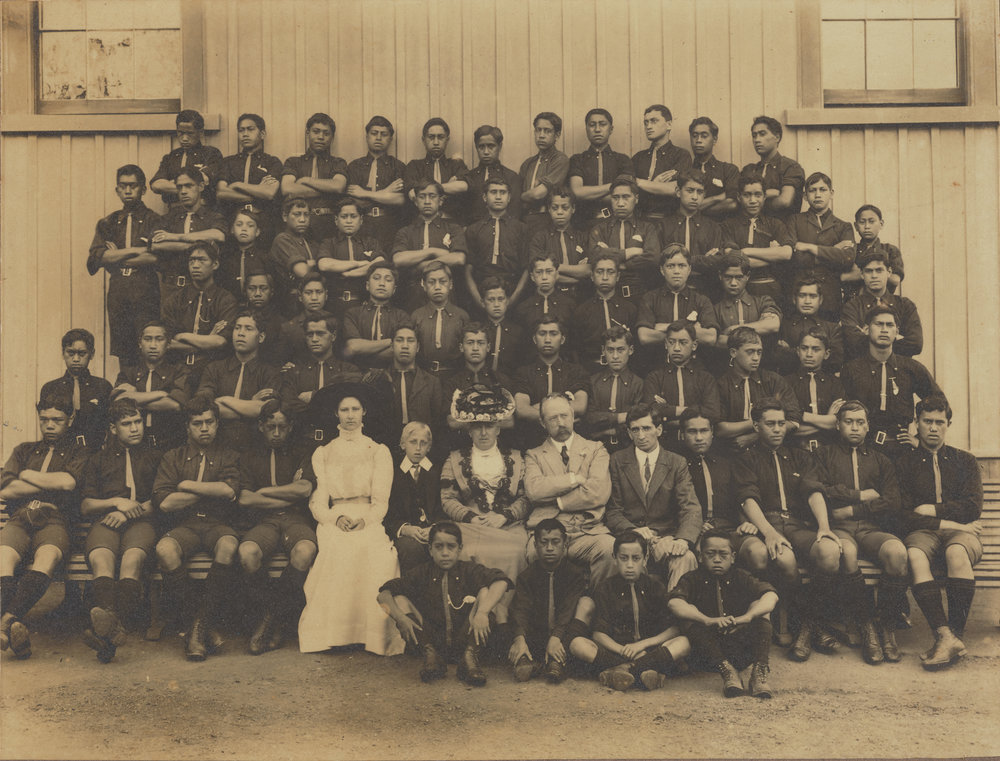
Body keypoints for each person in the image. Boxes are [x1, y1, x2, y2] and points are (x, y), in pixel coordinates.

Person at [298, 382, 404, 655]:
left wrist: (365, 521)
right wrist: (336, 518)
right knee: (337, 550)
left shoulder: (377, 451)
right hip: (335, 518)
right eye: (344, 409)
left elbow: (381, 501)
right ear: (336, 414)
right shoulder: (323, 452)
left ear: (364, 412)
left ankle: (371, 635)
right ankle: (335, 634)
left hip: (368, 517)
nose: (350, 415)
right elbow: (318, 502)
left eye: (355, 408)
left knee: (375, 552)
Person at [732, 398, 842, 662]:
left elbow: (814, 491)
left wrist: (824, 527)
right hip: (765, 523)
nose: (777, 429)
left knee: (829, 552)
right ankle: (799, 625)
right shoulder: (746, 458)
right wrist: (768, 532)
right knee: (784, 558)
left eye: (781, 423)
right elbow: (748, 499)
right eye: (770, 424)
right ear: (757, 426)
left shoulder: (799, 456)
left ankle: (806, 624)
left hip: (796, 523)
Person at [814, 401, 909, 664]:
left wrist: (851, 511)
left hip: (870, 529)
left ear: (868, 426)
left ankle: (887, 628)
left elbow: (892, 501)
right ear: (837, 425)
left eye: (859, 422)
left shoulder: (881, 459)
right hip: (839, 530)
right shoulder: (824, 455)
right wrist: (859, 495)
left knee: (897, 553)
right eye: (848, 421)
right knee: (848, 553)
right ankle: (867, 627)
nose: (854, 427)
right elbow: (821, 489)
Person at [151, 398, 241, 659]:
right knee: (165, 549)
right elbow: (166, 503)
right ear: (187, 427)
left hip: (217, 525)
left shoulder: (229, 455)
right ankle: (202, 626)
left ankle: (196, 628)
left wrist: (186, 485)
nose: (204, 428)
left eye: (210, 422)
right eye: (197, 423)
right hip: (185, 526)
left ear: (217, 424)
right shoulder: (173, 457)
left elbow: (229, 490)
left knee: (229, 545)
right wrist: (210, 491)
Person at [899, 396, 984, 670]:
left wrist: (932, 510)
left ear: (948, 424)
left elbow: (972, 507)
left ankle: (953, 637)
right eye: (927, 422)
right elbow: (902, 514)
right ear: (916, 424)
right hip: (923, 533)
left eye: (939, 422)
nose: (933, 428)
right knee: (913, 555)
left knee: (957, 552)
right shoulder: (904, 464)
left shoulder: (965, 461)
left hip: (961, 536)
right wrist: (951, 522)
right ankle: (944, 635)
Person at [0, 396, 88, 660]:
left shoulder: (78, 451)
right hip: (21, 516)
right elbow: (7, 488)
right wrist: (46, 483)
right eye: (44, 419)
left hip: (54, 518)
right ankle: (10, 626)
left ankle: (5, 623)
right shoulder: (24, 450)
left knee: (47, 557)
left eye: (57, 420)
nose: (49, 425)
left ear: (70, 420)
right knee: (3, 557)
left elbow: (68, 483)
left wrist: (26, 476)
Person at [377, 522, 511, 685]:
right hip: (433, 640)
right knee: (399, 599)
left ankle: (469, 658)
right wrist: (400, 618)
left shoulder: (469, 570)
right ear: (430, 550)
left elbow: (502, 581)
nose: (445, 553)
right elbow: (383, 594)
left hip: (465, 637)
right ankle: (431, 657)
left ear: (460, 548)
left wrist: (482, 613)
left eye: (451, 547)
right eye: (439, 547)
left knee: (486, 593)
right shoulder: (422, 572)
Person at [78, 399, 160, 662]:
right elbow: (87, 504)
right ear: (113, 428)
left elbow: (160, 500)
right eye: (127, 424)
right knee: (101, 558)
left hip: (141, 521)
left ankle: (107, 633)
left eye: (138, 422)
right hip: (107, 521)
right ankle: (113, 630)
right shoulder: (98, 460)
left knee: (132, 559)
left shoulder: (155, 456)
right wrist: (115, 502)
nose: (135, 428)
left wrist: (127, 512)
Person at [236, 401, 317, 655]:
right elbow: (246, 498)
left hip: (296, 519)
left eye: (283, 427)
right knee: (248, 552)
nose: (277, 433)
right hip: (264, 520)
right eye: (271, 427)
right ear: (261, 426)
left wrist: (265, 491)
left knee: (304, 551)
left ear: (291, 426)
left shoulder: (303, 450)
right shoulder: (249, 455)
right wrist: (287, 493)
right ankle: (273, 617)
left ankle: (270, 620)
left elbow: (305, 489)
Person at [440, 386, 527, 615]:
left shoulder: (517, 458)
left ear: (498, 428)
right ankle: (471, 617)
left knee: (516, 550)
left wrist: (504, 516)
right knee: (464, 550)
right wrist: (471, 517)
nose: (483, 433)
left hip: (509, 526)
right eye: (477, 427)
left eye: (489, 426)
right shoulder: (455, 459)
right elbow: (447, 499)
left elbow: (525, 498)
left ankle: (503, 618)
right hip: (471, 527)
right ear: (469, 431)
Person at [567, 531, 690, 691]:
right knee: (578, 644)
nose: (630, 565)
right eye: (624, 558)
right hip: (615, 652)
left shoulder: (655, 586)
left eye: (636, 558)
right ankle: (641, 670)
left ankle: (621, 671)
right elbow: (598, 634)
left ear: (645, 559)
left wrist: (642, 645)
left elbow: (673, 629)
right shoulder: (605, 588)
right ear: (615, 559)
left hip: (648, 651)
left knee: (684, 643)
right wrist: (622, 650)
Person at [668, 528, 777, 698]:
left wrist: (747, 617)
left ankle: (759, 672)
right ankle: (727, 671)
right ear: (700, 556)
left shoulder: (741, 576)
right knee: (689, 616)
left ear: (733, 557)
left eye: (723, 555)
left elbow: (771, 596)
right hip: (706, 655)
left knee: (761, 610)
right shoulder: (691, 579)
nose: (717, 560)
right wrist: (706, 620)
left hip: (739, 650)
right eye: (710, 554)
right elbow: (674, 603)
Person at [606, 404, 701, 589]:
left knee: (686, 557)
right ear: (628, 432)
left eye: (646, 428)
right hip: (630, 537)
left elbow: (690, 507)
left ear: (659, 429)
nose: (641, 436)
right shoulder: (617, 460)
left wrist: (682, 539)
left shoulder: (676, 462)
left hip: (666, 537)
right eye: (635, 430)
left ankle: (676, 611)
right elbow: (612, 510)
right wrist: (633, 530)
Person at [523, 393, 615, 584]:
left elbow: (598, 493)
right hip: (547, 533)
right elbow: (534, 490)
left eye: (564, 415)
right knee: (534, 552)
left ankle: (595, 605)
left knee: (609, 548)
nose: (561, 422)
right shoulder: (534, 455)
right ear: (542, 422)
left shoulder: (596, 449)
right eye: (553, 418)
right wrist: (573, 479)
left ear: (573, 415)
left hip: (587, 531)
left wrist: (558, 501)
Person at [841, 305, 940, 461]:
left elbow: (939, 403)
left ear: (897, 332)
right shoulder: (852, 369)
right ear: (866, 329)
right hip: (864, 449)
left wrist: (920, 439)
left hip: (902, 450)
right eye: (878, 324)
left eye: (889, 325)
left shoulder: (911, 368)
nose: (884, 329)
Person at [87, 164, 162, 366]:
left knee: (148, 346)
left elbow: (157, 257)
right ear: (117, 190)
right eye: (123, 186)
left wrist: (115, 255)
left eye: (133, 186)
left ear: (143, 189)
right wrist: (137, 250)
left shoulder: (154, 220)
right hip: (119, 290)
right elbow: (96, 258)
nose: (128, 191)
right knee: (124, 351)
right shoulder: (108, 222)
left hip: (145, 289)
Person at [508, 518, 587, 683]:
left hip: (564, 636)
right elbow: (521, 609)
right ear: (535, 545)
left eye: (555, 542)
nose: (549, 548)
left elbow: (568, 610)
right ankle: (527, 658)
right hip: (537, 636)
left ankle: (556, 660)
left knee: (585, 605)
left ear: (565, 543)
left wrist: (557, 637)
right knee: (515, 622)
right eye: (544, 543)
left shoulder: (575, 574)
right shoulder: (526, 576)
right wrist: (520, 638)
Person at [194, 309, 280, 450]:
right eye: (237, 328)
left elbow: (266, 410)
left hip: (254, 449)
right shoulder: (215, 368)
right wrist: (250, 405)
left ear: (261, 337)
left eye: (248, 329)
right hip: (217, 447)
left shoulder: (269, 373)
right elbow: (204, 407)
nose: (240, 333)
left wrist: (224, 400)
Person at [160, 241, 239, 393]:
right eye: (192, 260)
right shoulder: (175, 299)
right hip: (177, 368)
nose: (195, 265)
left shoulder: (225, 300)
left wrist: (182, 335)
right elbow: (167, 343)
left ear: (215, 264)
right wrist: (207, 340)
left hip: (212, 369)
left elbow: (221, 342)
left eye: (202, 260)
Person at [715, 326, 801, 453]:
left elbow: (793, 421)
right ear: (733, 352)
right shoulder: (721, 384)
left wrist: (754, 436)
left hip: (768, 451)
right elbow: (720, 428)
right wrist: (761, 423)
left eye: (759, 352)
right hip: (731, 453)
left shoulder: (773, 380)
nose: (756, 358)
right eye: (750, 352)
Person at [635, 243, 719, 373]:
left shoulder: (701, 300)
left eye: (681, 266)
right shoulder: (650, 298)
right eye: (670, 266)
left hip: (693, 369)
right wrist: (692, 330)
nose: (676, 271)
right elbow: (645, 337)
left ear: (689, 269)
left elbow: (710, 338)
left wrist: (663, 327)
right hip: (658, 367)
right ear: (662, 270)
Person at [150, 167, 227, 303]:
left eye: (189, 186)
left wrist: (174, 237)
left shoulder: (212, 216)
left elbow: (218, 235)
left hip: (202, 288)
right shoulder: (169, 218)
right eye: (179, 187)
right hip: (171, 288)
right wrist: (199, 244)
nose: (184, 191)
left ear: (201, 186)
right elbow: (155, 245)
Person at [512, 316, 590, 450]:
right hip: (534, 442)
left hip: (570, 442)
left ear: (562, 339)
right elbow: (522, 410)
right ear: (535, 339)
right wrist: (562, 414)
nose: (547, 339)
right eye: (542, 334)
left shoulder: (575, 371)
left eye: (553, 334)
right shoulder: (524, 373)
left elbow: (580, 406)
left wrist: (539, 409)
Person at [642, 321, 721, 451]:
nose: (677, 348)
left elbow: (713, 413)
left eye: (683, 342)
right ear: (666, 344)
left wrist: (668, 411)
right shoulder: (654, 377)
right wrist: (692, 411)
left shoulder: (705, 378)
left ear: (694, 345)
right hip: (664, 444)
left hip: (697, 442)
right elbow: (652, 411)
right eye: (672, 342)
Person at [392, 179, 469, 311]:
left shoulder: (453, 229)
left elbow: (458, 258)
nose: (427, 201)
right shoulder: (406, 231)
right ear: (416, 201)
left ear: (441, 201)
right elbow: (398, 259)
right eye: (422, 197)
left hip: (446, 295)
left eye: (432, 196)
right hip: (413, 295)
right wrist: (432, 251)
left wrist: (421, 265)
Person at [112, 320, 190, 451]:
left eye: (159, 339)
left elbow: (175, 405)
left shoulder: (179, 371)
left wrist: (134, 398)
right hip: (136, 446)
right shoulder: (129, 372)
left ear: (168, 344)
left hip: (170, 444)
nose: (153, 345)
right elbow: (118, 400)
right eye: (148, 339)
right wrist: (160, 394)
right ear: (140, 343)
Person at [279, 313, 359, 439]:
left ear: (333, 336)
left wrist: (313, 396)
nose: (314, 339)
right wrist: (329, 407)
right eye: (310, 335)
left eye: (320, 334)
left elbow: (350, 404)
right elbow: (288, 405)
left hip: (340, 439)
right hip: (304, 439)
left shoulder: (348, 370)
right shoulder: (294, 372)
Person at [786, 172, 855, 317]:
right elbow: (793, 257)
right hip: (801, 295)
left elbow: (848, 259)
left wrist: (811, 248)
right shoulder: (795, 221)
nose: (817, 195)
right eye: (812, 190)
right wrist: (833, 251)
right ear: (805, 196)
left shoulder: (843, 226)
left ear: (831, 193)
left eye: (822, 190)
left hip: (830, 296)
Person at [586, 176, 660, 305]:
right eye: (615, 198)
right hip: (606, 294)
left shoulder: (647, 228)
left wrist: (622, 264)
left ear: (636, 199)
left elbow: (652, 257)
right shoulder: (600, 229)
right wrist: (628, 253)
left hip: (639, 295)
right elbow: (594, 256)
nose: (620, 203)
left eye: (626, 197)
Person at [721, 174, 793, 303]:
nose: (753, 200)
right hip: (739, 290)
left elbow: (787, 254)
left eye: (758, 195)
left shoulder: (775, 224)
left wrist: (746, 251)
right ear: (739, 197)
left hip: (771, 290)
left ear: (764, 197)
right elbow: (733, 259)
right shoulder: (728, 225)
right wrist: (773, 257)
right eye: (747, 195)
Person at [40, 328, 113, 452]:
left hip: (94, 453)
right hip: (61, 453)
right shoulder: (50, 388)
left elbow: (110, 425)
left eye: (82, 353)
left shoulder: (102, 386)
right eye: (71, 353)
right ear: (63, 353)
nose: (76, 359)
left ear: (92, 354)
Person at [280, 112, 348, 243]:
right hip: (299, 222)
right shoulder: (293, 162)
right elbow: (287, 188)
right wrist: (327, 189)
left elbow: (338, 186)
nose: (320, 137)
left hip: (328, 224)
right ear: (308, 133)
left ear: (332, 137)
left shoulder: (338, 163)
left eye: (326, 133)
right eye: (316, 132)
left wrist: (305, 181)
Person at [678, 412, 744, 546]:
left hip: (727, 528)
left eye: (704, 431)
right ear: (682, 434)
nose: (699, 437)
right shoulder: (677, 465)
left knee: (756, 551)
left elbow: (740, 496)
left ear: (712, 432)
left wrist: (745, 522)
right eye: (692, 432)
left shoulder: (727, 462)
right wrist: (696, 524)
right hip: (695, 530)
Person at [214, 113, 282, 244]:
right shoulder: (228, 162)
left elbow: (269, 193)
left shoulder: (272, 162)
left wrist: (237, 184)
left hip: (262, 220)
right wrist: (257, 192)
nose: (245, 134)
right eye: (241, 130)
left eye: (250, 129)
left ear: (262, 134)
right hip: (233, 219)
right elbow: (221, 192)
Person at [841, 251, 923, 359]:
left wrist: (869, 336)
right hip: (864, 370)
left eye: (879, 270)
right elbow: (853, 343)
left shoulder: (905, 305)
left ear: (889, 272)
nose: (874, 276)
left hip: (898, 368)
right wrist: (895, 337)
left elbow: (916, 344)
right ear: (862, 275)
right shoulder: (852, 307)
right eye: (869, 271)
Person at [659, 169, 726, 299]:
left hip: (705, 293)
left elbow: (716, 262)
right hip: (669, 293)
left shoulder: (713, 227)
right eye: (690, 190)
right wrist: (702, 260)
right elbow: (659, 260)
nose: (695, 197)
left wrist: (678, 261)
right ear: (678, 192)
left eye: (699, 192)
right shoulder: (664, 226)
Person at [384, 422, 442, 573]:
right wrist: (405, 529)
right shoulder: (393, 473)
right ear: (403, 444)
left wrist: (434, 528)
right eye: (413, 442)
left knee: (443, 544)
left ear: (429, 447)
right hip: (408, 532)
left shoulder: (436, 472)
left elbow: (442, 506)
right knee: (410, 548)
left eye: (423, 443)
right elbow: (388, 512)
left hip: (432, 529)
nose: (418, 448)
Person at [464, 177, 531, 307]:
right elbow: (468, 269)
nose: (498, 197)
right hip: (482, 289)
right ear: (484, 197)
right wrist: (479, 300)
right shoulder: (474, 229)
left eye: (503, 192)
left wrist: (512, 300)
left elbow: (526, 269)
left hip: (512, 289)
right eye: (493, 192)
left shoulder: (521, 228)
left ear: (509, 197)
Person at [344, 116, 407, 251]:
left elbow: (400, 199)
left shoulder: (398, 166)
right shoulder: (354, 166)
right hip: (361, 224)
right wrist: (385, 194)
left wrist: (364, 193)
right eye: (374, 133)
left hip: (389, 225)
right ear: (367, 136)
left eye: (384, 134)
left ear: (390, 139)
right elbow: (353, 201)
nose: (378, 138)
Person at [712, 253, 782, 370]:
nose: (733, 283)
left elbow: (772, 324)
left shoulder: (762, 302)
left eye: (739, 277)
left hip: (762, 368)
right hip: (727, 370)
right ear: (720, 276)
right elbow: (717, 341)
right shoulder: (715, 309)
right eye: (728, 277)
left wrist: (734, 329)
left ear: (747, 276)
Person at [317, 198, 387, 316]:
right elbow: (324, 264)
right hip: (334, 304)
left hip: (363, 303)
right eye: (344, 217)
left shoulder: (370, 242)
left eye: (353, 216)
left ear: (361, 220)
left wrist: (350, 273)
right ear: (336, 220)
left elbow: (380, 262)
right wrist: (358, 264)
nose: (349, 221)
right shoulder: (329, 243)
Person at [567, 108, 634, 230]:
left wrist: (589, 193)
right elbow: (577, 192)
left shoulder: (622, 160)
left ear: (611, 129)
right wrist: (614, 186)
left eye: (602, 124)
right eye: (592, 125)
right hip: (582, 224)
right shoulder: (577, 159)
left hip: (615, 223)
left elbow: (626, 194)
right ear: (586, 129)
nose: (597, 129)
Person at [572, 254, 638, 375]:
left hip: (625, 372)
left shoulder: (629, 309)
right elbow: (576, 350)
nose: (605, 277)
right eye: (600, 272)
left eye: (610, 272)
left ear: (618, 276)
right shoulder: (582, 311)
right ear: (592, 276)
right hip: (591, 371)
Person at [782, 326, 845, 451]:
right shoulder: (786, 382)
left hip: (829, 450)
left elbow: (840, 424)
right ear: (798, 351)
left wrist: (802, 416)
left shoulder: (835, 383)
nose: (809, 354)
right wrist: (827, 420)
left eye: (816, 349)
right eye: (805, 348)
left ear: (826, 354)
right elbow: (785, 428)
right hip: (796, 450)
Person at [583, 326, 643, 451]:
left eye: (621, 350)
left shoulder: (638, 383)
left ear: (630, 350)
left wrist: (607, 430)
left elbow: (636, 419)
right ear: (603, 351)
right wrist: (619, 418)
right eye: (610, 350)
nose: (615, 356)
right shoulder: (593, 382)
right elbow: (589, 418)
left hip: (628, 448)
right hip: (596, 448)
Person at [150, 109, 223, 209]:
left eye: (190, 133)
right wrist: (190, 187)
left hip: (202, 212)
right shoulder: (172, 156)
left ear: (200, 132)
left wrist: (171, 184)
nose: (184, 138)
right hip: (174, 214)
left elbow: (205, 179)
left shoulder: (211, 153)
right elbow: (156, 185)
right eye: (181, 133)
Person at [342, 264, 411, 369]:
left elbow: (399, 350)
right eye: (376, 278)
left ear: (394, 289)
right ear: (367, 285)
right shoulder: (353, 314)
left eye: (388, 280)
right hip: (358, 374)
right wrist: (390, 341)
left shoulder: (402, 316)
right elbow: (353, 346)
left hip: (391, 373)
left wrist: (364, 352)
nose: (382, 284)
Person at [386, 323, 445, 447]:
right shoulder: (380, 380)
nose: (405, 346)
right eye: (399, 340)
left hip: (421, 447)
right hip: (388, 446)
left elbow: (437, 423)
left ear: (417, 347)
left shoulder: (432, 382)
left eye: (410, 341)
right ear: (392, 346)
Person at [528, 186, 592, 299]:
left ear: (573, 209)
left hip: (579, 295)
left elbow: (588, 270)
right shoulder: (540, 238)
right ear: (549, 209)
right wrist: (576, 275)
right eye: (555, 208)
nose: (560, 212)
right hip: (551, 295)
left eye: (565, 207)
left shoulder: (582, 237)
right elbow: (537, 271)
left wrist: (553, 267)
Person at [774, 275, 845, 375]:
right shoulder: (784, 326)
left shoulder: (832, 328)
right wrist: (818, 353)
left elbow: (835, 360)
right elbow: (776, 357)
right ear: (794, 299)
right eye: (802, 296)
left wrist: (791, 351)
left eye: (812, 296)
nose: (807, 301)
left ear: (820, 300)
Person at [740, 116, 804, 224]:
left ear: (777, 137)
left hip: (783, 230)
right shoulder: (749, 170)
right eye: (754, 135)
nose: (757, 140)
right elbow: (739, 201)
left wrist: (751, 204)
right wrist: (772, 193)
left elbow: (784, 201)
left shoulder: (790, 166)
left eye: (762, 134)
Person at [632, 104, 691, 223]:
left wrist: (639, 182)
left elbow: (676, 189)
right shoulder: (638, 158)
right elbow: (629, 190)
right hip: (640, 221)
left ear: (668, 125)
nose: (648, 126)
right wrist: (655, 185)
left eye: (654, 121)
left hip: (670, 222)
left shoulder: (681, 155)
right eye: (646, 122)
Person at [403, 118, 469, 222]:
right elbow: (412, 193)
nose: (436, 142)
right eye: (431, 137)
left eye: (441, 137)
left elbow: (463, 186)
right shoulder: (414, 166)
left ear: (447, 140)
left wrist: (425, 189)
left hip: (451, 222)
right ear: (423, 140)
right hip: (422, 223)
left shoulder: (456, 164)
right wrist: (447, 187)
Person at [410, 262, 469, 376]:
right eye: (431, 282)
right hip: (425, 375)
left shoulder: (461, 316)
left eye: (443, 281)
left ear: (451, 284)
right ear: (424, 285)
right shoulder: (416, 316)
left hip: (454, 375)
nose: (437, 287)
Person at [519, 112, 570, 237]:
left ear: (557, 135)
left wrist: (522, 196)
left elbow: (538, 194)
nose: (541, 135)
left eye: (547, 131)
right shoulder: (528, 163)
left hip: (546, 220)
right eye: (538, 130)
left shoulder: (560, 159)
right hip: (525, 220)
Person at [842, 204, 904, 301]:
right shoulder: (851, 250)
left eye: (871, 222)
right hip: (852, 303)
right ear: (856, 226)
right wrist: (882, 273)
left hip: (883, 303)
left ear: (881, 224)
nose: (867, 226)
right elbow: (842, 278)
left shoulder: (890, 250)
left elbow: (895, 279)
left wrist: (858, 274)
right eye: (862, 222)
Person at [465, 125, 523, 223]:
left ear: (499, 147)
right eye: (481, 147)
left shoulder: (510, 177)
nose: (486, 152)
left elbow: (515, 212)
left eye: (491, 146)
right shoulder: (470, 177)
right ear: (476, 147)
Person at [274, 274, 332, 365]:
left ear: (326, 295)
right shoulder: (289, 328)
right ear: (300, 297)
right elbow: (280, 361)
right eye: (308, 293)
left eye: (319, 292)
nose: (314, 298)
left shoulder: (336, 322)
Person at [687, 117, 739, 220]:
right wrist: (718, 198)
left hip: (720, 228)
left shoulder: (728, 170)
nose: (698, 140)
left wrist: (695, 209)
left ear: (714, 139)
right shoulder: (686, 170)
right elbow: (682, 206)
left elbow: (731, 204)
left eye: (704, 136)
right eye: (694, 136)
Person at [269, 198, 320, 302]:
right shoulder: (282, 240)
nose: (302, 219)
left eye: (306, 214)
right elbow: (302, 271)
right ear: (285, 217)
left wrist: (309, 263)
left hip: (315, 296)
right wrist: (320, 264)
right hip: (291, 299)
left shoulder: (312, 243)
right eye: (297, 214)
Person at [512, 253, 577, 333]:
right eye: (539, 272)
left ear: (556, 274)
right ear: (532, 277)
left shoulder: (569, 305)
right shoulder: (523, 308)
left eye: (549, 271)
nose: (544, 277)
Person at [219, 209, 272, 303]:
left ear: (257, 232)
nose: (244, 229)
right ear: (232, 230)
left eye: (250, 225)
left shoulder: (265, 257)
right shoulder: (226, 258)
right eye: (239, 224)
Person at [480, 278, 523, 375]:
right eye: (491, 300)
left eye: (500, 299)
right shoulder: (479, 330)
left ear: (507, 301)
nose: (496, 305)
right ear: (483, 303)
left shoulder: (518, 332)